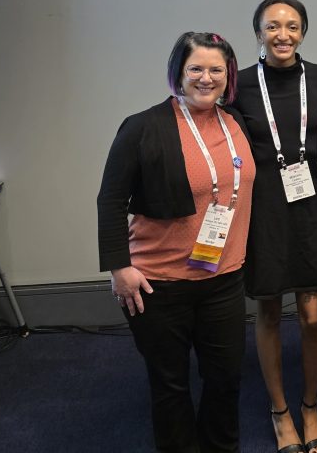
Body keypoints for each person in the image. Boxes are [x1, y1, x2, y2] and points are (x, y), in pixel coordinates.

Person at [97, 32, 254, 453]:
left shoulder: (235, 122)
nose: (206, 78)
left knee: (225, 380)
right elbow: (110, 199)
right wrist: (119, 268)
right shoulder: (143, 127)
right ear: (178, 73)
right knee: (170, 387)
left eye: (216, 69)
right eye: (195, 68)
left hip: (223, 279)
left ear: (228, 75)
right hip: (158, 284)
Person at [230, 0, 317, 453]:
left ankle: (310, 405)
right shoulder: (239, 84)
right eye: (273, 26)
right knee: (269, 311)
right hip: (264, 210)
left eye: (292, 26)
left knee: (313, 317)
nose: (283, 34)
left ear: (303, 32)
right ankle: (280, 412)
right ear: (258, 33)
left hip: (307, 204)